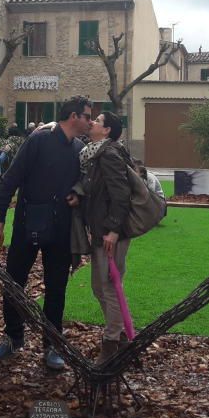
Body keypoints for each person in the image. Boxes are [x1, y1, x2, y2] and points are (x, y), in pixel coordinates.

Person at [0, 96, 91, 370]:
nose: (90, 122)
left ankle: (52, 344)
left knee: (57, 289)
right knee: (14, 283)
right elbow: (11, 178)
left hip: (61, 231)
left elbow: (85, 183)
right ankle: (12, 337)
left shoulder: (80, 149)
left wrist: (78, 194)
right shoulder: (38, 141)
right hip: (27, 225)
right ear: (73, 116)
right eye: (87, 116)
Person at [79, 112, 134, 363]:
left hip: (112, 234)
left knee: (109, 287)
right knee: (99, 287)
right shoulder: (95, 153)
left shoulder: (109, 154)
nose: (92, 123)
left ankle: (111, 343)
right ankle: (120, 335)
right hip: (102, 231)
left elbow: (121, 195)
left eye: (98, 121)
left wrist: (113, 229)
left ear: (107, 130)